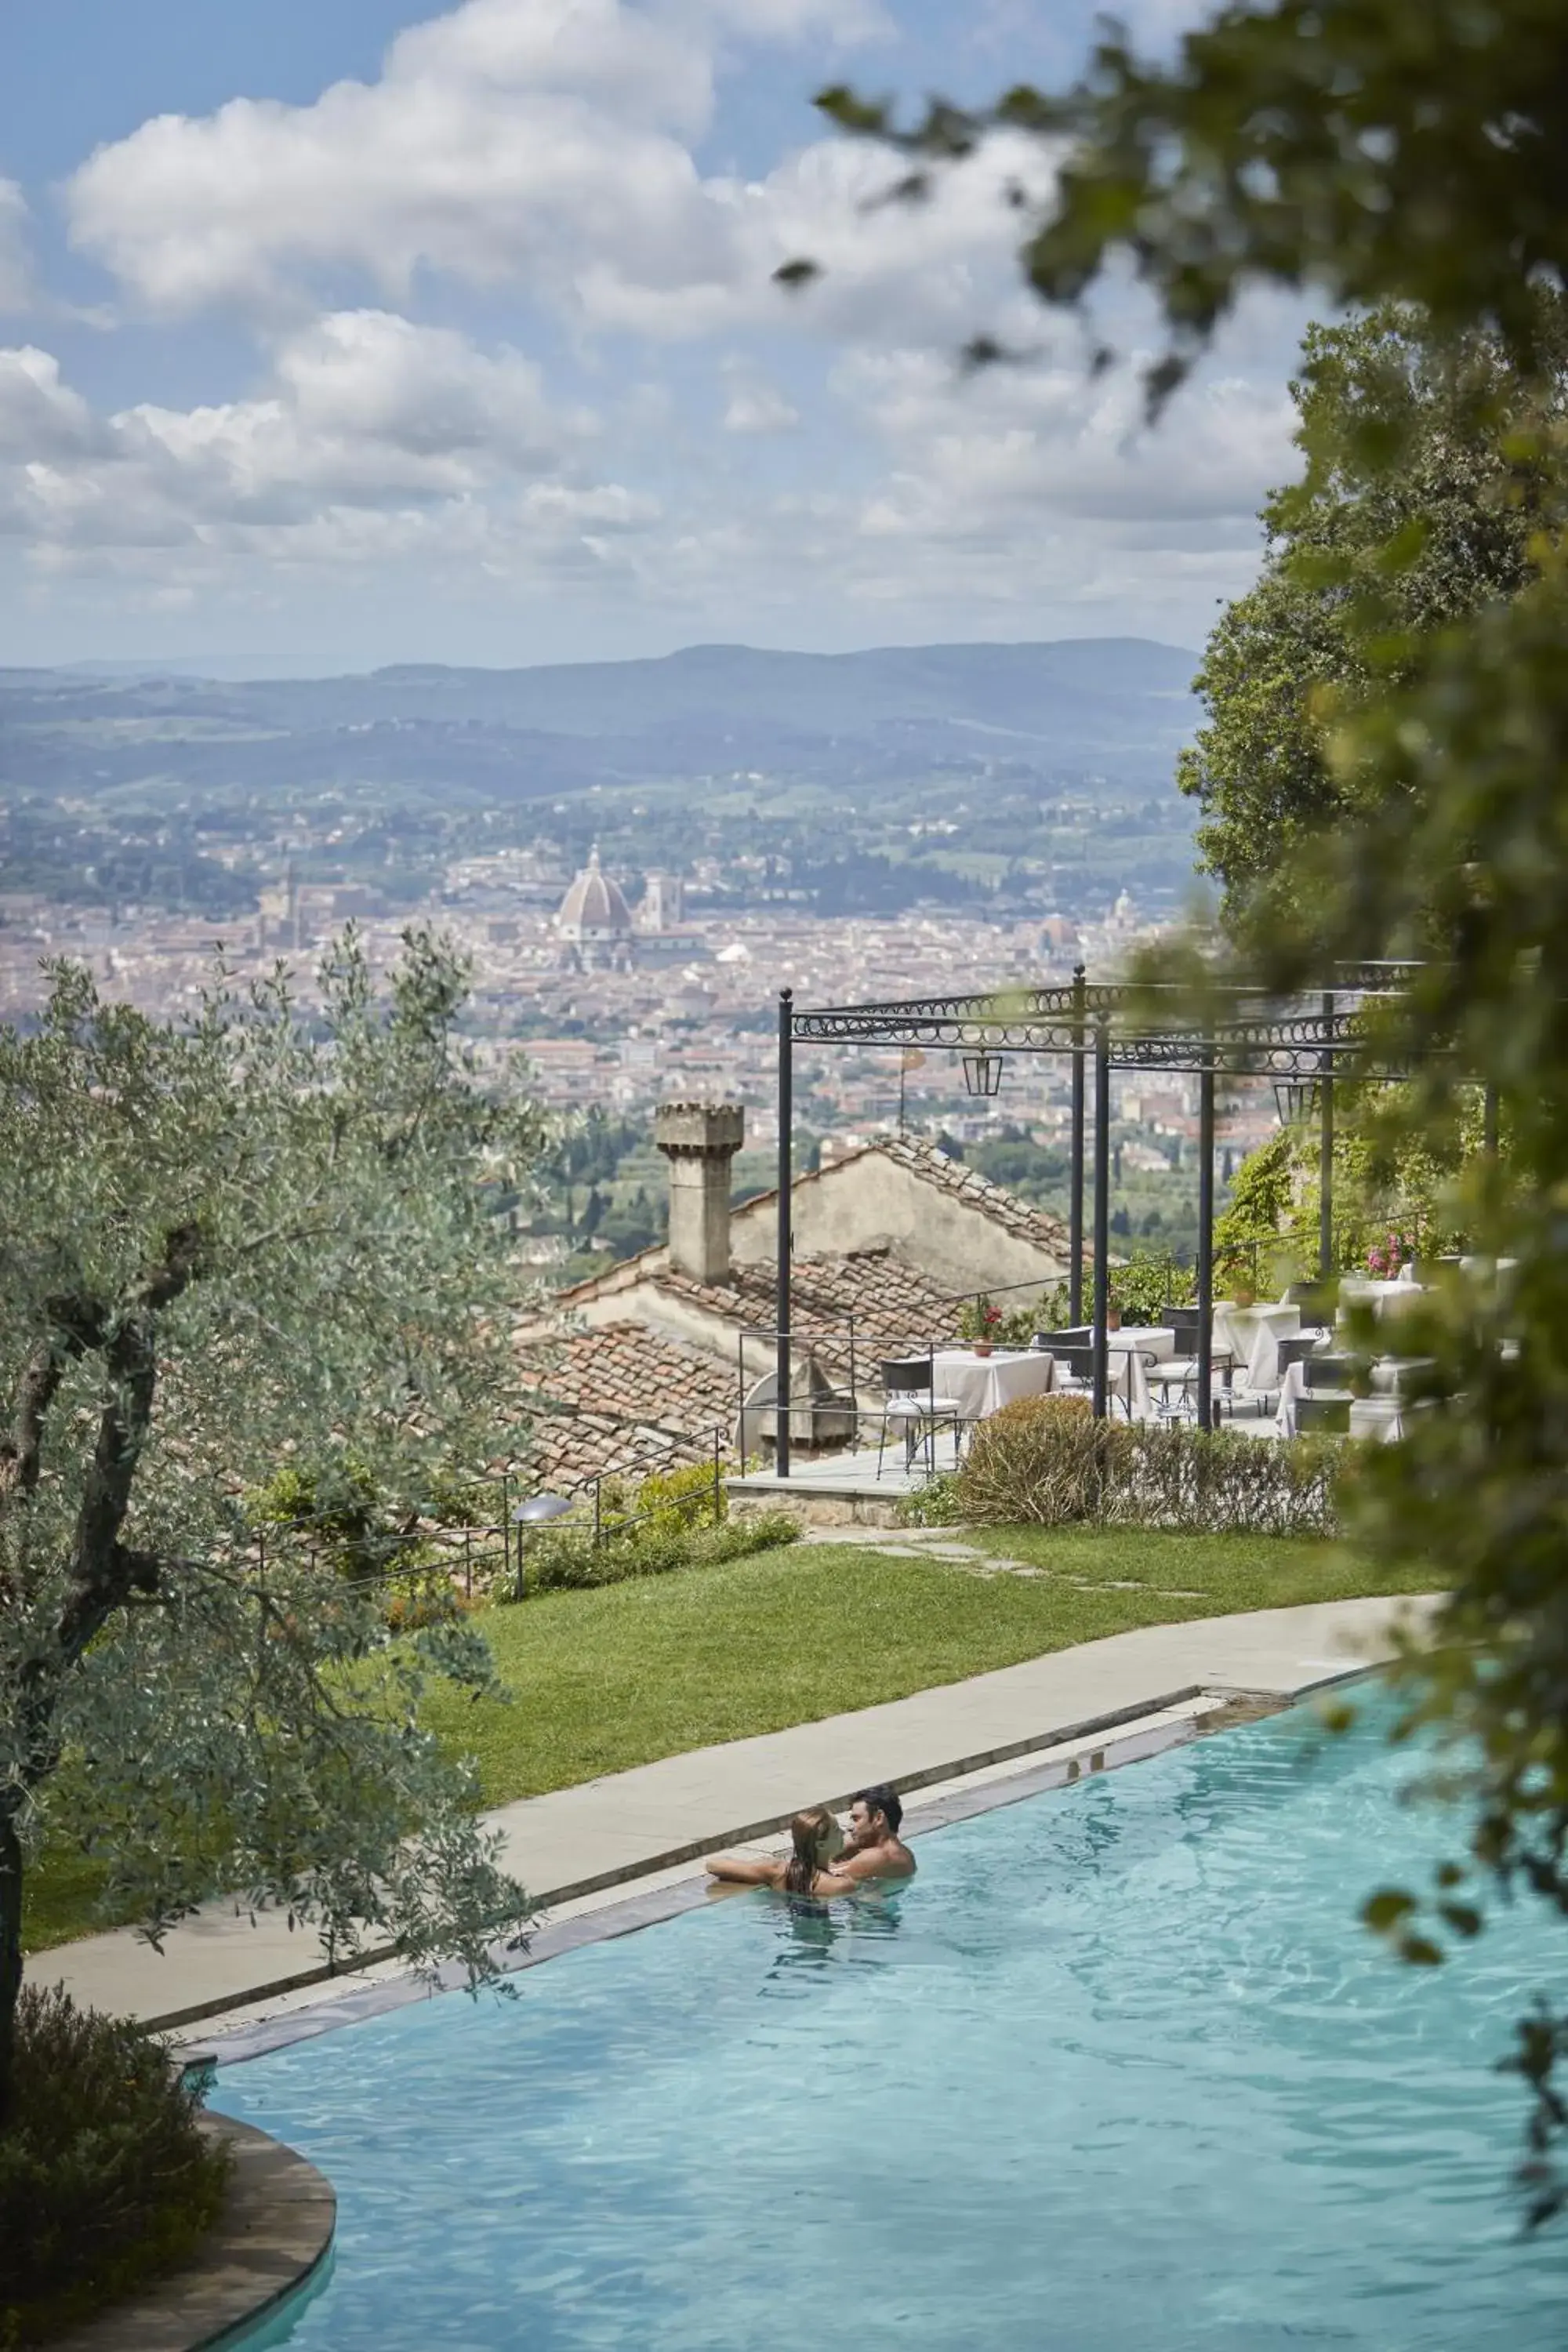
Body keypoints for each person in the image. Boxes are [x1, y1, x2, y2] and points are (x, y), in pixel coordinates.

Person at [706, 1805, 856, 1897]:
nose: (844, 1832)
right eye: (836, 1831)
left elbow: (713, 1865)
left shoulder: (777, 1870)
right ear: (822, 1845)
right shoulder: (841, 1885)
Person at [831, 1785, 916, 1884]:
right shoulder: (904, 1852)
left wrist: (836, 1847)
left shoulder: (878, 1856)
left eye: (856, 1819)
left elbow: (818, 1879)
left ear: (879, 1818)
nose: (850, 1827)